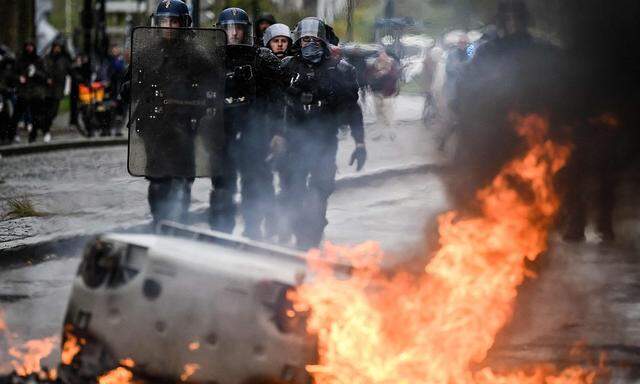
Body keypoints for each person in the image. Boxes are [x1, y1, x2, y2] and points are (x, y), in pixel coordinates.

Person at [125, 0, 217, 229]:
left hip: (183, 125)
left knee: (182, 179)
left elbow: (211, 87)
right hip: (154, 126)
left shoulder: (196, 55)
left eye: (173, 21)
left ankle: (180, 225)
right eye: (163, 21)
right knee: (157, 180)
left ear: (183, 24)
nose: (168, 26)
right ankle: (159, 222)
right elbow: (130, 84)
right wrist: (129, 88)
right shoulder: (146, 54)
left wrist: (196, 105)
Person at [279, 17, 367, 249]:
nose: (310, 44)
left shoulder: (339, 70)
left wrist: (360, 144)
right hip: (294, 140)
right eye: (305, 39)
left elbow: (352, 109)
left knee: (320, 190)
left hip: (324, 139)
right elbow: (271, 105)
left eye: (315, 40)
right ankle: (298, 234)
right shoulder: (287, 67)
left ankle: (313, 234)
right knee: (294, 191)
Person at [209, 7, 282, 240]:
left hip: (253, 130)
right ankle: (221, 234)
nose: (233, 34)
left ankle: (254, 232)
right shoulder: (210, 58)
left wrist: (277, 131)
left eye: (238, 29)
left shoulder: (259, 58)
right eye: (228, 29)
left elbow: (278, 96)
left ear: (245, 31)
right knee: (222, 188)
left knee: (254, 184)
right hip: (222, 132)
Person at [14, 41, 48, 143]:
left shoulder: (38, 60)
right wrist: (19, 78)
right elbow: (14, 73)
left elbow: (44, 75)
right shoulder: (20, 60)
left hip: (35, 92)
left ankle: (34, 135)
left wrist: (35, 73)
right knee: (17, 115)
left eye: (31, 46)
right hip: (23, 92)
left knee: (36, 116)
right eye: (27, 46)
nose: (29, 49)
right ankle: (12, 135)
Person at [366, 48, 401, 138]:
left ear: (387, 55)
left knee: (388, 113)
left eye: (384, 54)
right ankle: (379, 132)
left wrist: (386, 72)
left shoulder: (392, 65)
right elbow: (368, 76)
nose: (382, 56)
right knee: (378, 113)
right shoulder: (374, 64)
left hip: (387, 93)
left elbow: (395, 77)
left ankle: (391, 131)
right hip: (376, 92)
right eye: (381, 54)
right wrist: (376, 76)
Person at [43, 40, 73, 142]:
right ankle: (45, 129)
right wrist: (47, 78)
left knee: (54, 111)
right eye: (55, 47)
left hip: (58, 89)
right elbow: (44, 70)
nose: (57, 49)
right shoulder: (47, 59)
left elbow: (70, 71)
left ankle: (46, 126)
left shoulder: (63, 60)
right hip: (47, 89)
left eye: (58, 47)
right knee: (47, 110)